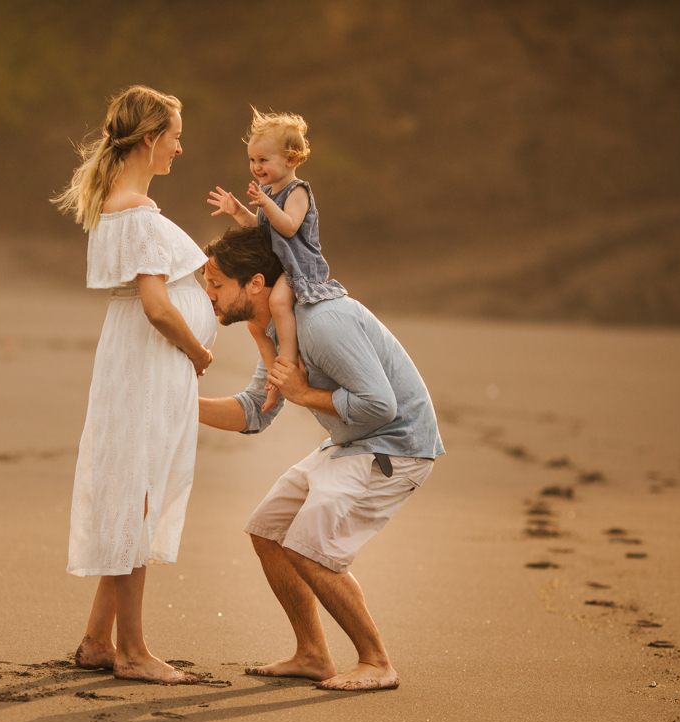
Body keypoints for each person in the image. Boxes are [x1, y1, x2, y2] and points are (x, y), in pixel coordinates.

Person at [197, 225, 444, 691]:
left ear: (254, 282)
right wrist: (182, 405)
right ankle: (312, 654)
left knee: (309, 546)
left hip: (395, 445)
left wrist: (305, 393)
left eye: (215, 284)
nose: (208, 295)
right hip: (352, 443)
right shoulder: (278, 328)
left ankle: (376, 662)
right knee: (269, 530)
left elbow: (381, 405)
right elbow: (255, 411)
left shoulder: (321, 322)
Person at [52, 86, 216, 685]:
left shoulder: (117, 205)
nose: (179, 145)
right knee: (138, 496)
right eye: (174, 134)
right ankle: (134, 651)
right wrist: (197, 349)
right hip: (149, 363)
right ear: (150, 139)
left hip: (134, 363)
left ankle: (98, 640)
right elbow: (156, 306)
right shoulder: (139, 216)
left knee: (131, 493)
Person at [207, 108, 346, 413]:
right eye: (252, 160)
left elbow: (288, 226)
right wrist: (237, 209)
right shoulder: (268, 192)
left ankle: (289, 360)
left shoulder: (297, 191)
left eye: (263, 160)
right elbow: (260, 229)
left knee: (279, 303)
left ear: (291, 160)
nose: (256, 166)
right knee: (256, 327)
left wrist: (266, 203)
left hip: (300, 267)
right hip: (280, 265)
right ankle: (276, 376)